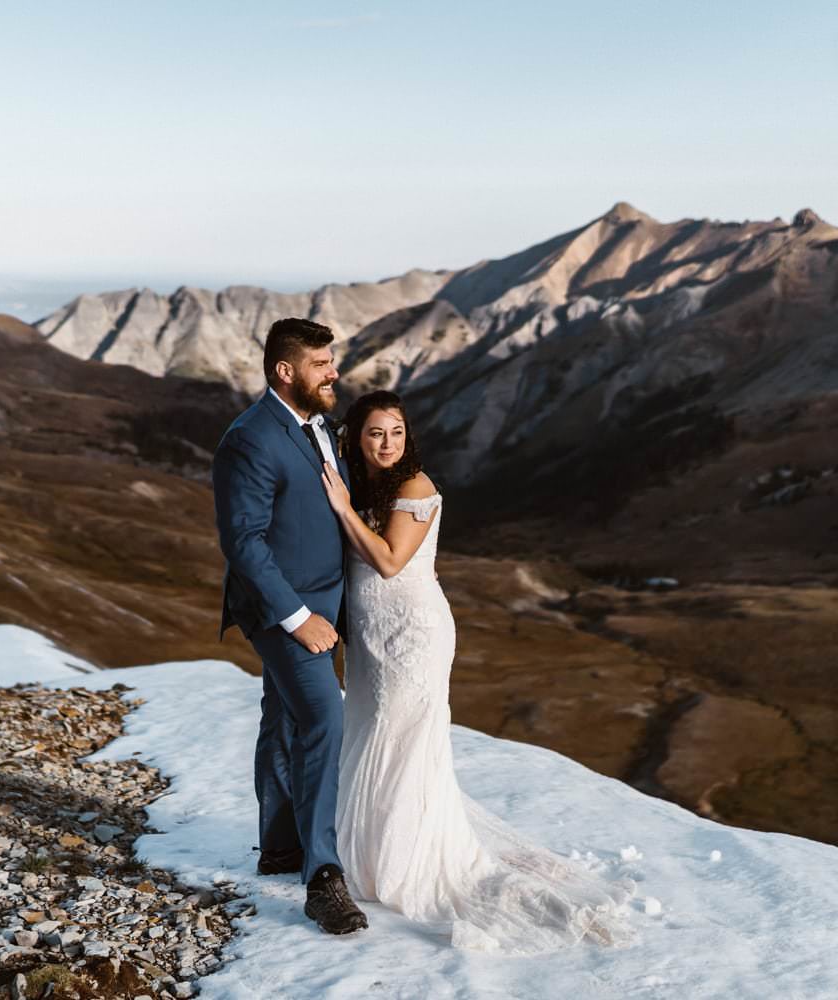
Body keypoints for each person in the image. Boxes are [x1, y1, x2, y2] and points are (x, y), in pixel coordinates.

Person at [319, 390, 634, 954]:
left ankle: (404, 858)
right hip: (371, 638)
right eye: (375, 433)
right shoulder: (367, 484)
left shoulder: (416, 486)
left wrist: (343, 508)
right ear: (356, 438)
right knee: (371, 733)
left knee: (404, 738)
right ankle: (367, 850)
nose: (387, 443)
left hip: (412, 633)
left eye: (395, 431)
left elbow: (390, 562)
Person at [211, 317, 368, 935]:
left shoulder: (316, 425)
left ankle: (279, 844)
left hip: (326, 601)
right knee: (323, 716)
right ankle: (323, 877)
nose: (334, 372)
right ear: (286, 371)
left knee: (283, 714)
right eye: (322, 364)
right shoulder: (248, 439)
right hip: (281, 607)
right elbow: (244, 545)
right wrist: (299, 620)